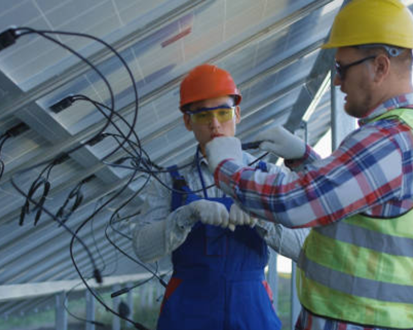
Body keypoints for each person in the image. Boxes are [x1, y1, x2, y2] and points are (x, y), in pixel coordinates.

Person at [204, 0, 413, 329]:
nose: (337, 82)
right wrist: (304, 159)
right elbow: (363, 201)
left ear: (380, 67)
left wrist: (226, 166)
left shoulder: (389, 141)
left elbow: (293, 203)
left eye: (342, 68)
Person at [132, 64, 309, 330]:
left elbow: (305, 248)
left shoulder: (267, 176)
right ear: (187, 121)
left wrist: (261, 219)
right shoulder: (169, 179)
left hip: (251, 309)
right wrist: (184, 216)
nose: (215, 124)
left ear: (237, 113)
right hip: (188, 311)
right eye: (203, 115)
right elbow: (143, 249)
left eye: (223, 112)